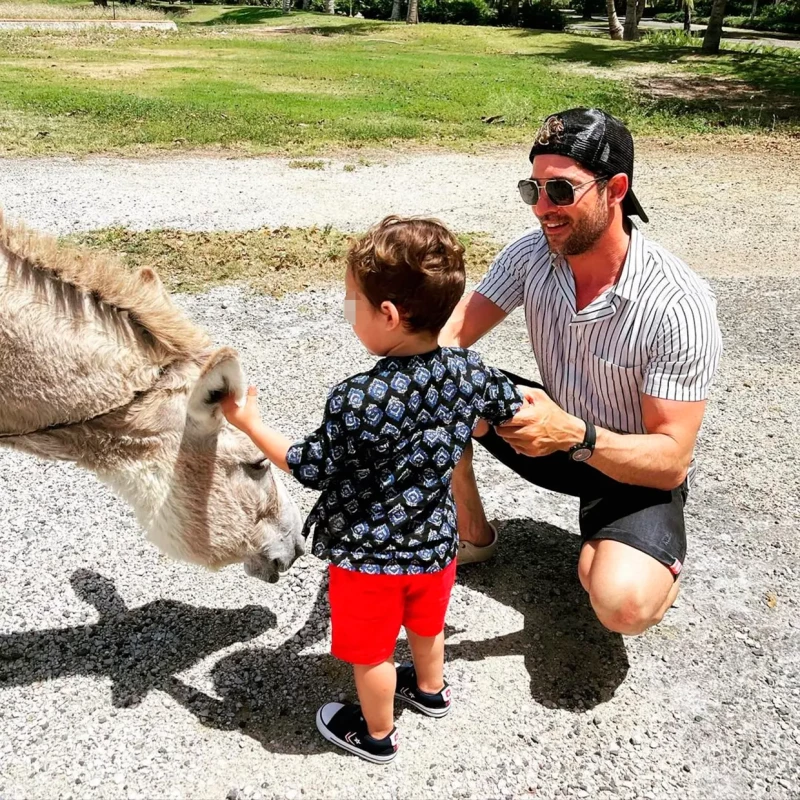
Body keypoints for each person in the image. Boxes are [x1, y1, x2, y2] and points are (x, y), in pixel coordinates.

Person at [222, 216, 522, 763]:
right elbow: (506, 411)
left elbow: (306, 464)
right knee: (428, 626)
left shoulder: (359, 398)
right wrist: (467, 420)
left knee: (373, 654)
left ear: (387, 315)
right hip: (436, 543)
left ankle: (376, 735)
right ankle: (431, 692)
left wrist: (249, 423)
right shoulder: (469, 371)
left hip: (369, 560)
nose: (349, 312)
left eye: (352, 302)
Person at [440, 107, 722, 637]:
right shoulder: (530, 256)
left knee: (621, 603)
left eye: (562, 191)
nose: (543, 209)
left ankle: (637, 552)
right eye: (534, 190)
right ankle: (474, 533)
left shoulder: (676, 303)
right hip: (556, 435)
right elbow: (450, 337)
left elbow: (671, 461)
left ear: (616, 189)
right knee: (442, 379)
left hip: (631, 468)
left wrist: (574, 434)